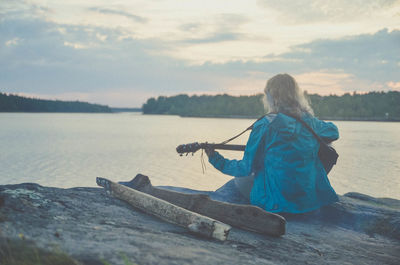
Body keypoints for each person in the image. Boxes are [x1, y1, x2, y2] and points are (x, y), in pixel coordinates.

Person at [205, 73, 339, 213]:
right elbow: (334, 132)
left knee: (238, 181)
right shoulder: (310, 122)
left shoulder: (265, 125)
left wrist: (215, 159)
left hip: (275, 203)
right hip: (307, 202)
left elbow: (245, 168)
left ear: (272, 97)